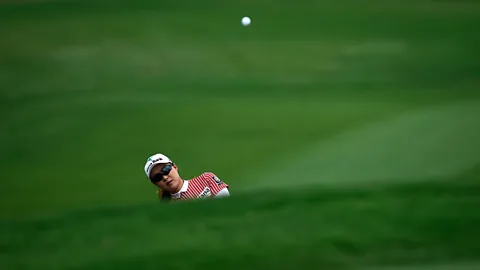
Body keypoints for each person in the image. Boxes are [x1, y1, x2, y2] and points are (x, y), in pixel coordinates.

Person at [144, 153, 230, 202]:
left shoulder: (206, 179)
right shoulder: (167, 207)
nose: (165, 177)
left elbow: (226, 204)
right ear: (155, 183)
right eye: (158, 177)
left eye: (166, 169)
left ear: (175, 167)